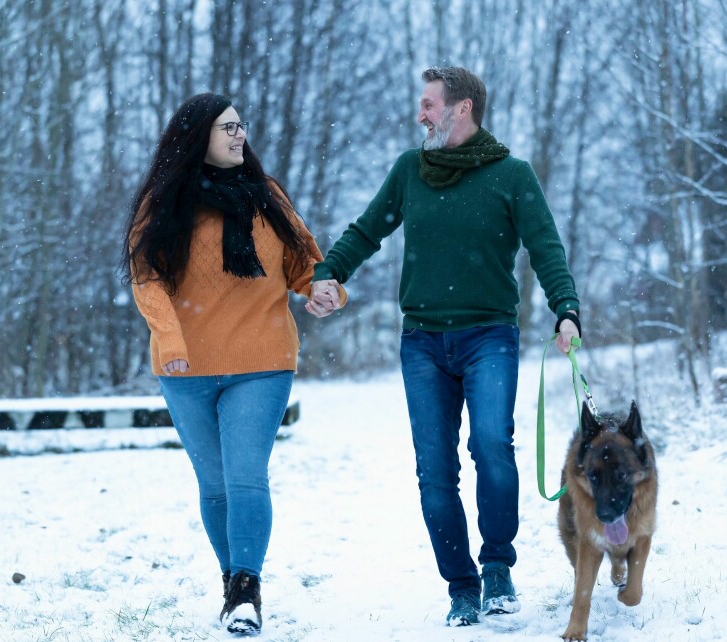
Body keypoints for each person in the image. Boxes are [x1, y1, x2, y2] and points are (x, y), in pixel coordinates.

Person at [308, 67, 581, 627]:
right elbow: (367, 230)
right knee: (435, 471)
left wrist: (567, 310)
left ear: (462, 109)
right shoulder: (412, 170)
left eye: (429, 104)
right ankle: (461, 586)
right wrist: (328, 273)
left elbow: (545, 246)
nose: (420, 115)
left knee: (491, 449)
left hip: (490, 337)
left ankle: (498, 567)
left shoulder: (512, 175)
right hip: (423, 343)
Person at [122, 93, 344, 635]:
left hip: (261, 360)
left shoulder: (265, 197)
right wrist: (170, 341)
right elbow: (146, 279)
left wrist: (324, 291)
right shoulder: (163, 202)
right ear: (197, 137)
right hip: (185, 367)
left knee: (245, 477)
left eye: (241, 126)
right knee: (214, 487)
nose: (239, 135)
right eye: (227, 128)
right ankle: (231, 581)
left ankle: (246, 589)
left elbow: (304, 264)